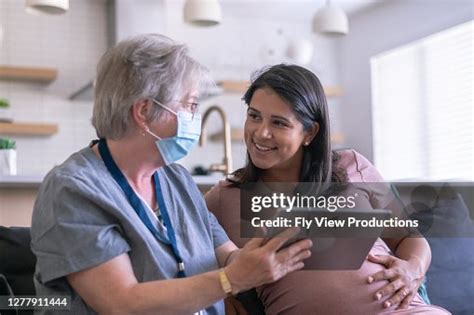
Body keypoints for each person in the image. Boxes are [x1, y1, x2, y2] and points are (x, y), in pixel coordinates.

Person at [30, 35, 313, 315]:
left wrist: (260, 255)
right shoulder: (72, 190)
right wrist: (233, 279)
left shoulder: (176, 180)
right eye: (189, 105)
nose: (194, 117)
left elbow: (225, 254)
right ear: (144, 111)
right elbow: (122, 303)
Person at [205, 64, 451, 314]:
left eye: (279, 123)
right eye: (254, 116)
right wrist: (224, 296)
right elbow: (183, 255)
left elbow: (410, 239)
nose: (261, 133)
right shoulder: (224, 196)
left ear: (310, 132)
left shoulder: (352, 166)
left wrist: (413, 269)